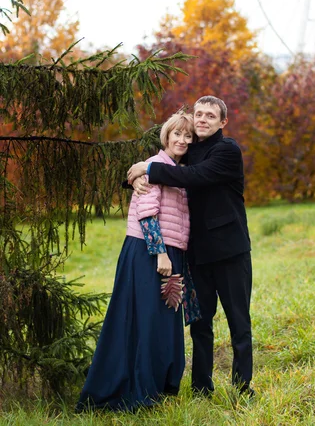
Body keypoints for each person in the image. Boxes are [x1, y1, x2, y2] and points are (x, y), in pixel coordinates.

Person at [127, 96, 253, 397]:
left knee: (239, 322)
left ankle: (242, 387)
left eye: (210, 115)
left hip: (230, 252)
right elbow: (169, 165)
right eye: (199, 114)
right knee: (199, 323)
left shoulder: (227, 150)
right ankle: (200, 387)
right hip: (196, 254)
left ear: (222, 122)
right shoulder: (189, 151)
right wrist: (135, 175)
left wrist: (147, 168)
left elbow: (194, 177)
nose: (202, 119)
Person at [76, 112, 195, 412]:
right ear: (166, 136)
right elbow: (146, 213)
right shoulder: (152, 170)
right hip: (148, 252)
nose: (182, 140)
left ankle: (154, 387)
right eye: (176, 134)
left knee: (160, 322)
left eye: (188, 136)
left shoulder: (177, 170)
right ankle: (133, 390)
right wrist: (161, 254)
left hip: (171, 253)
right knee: (143, 320)